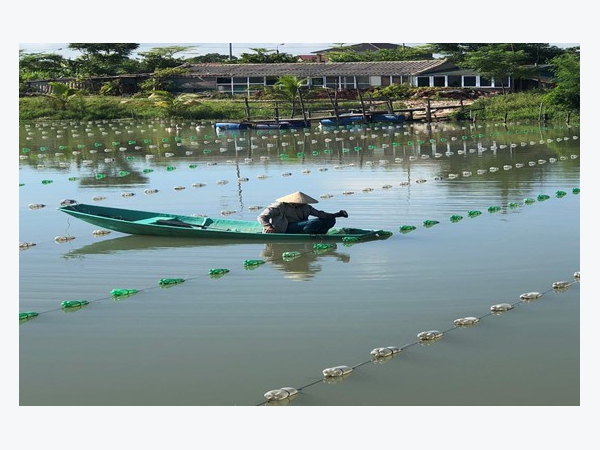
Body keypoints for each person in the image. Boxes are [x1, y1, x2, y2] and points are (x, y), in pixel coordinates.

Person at [257, 191, 348, 234]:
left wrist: (337, 215)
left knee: (329, 219)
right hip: (284, 228)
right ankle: (306, 233)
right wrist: (267, 226)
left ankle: (320, 233)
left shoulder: (306, 207)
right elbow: (261, 217)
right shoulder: (279, 206)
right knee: (315, 222)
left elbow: (320, 214)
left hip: (300, 225)